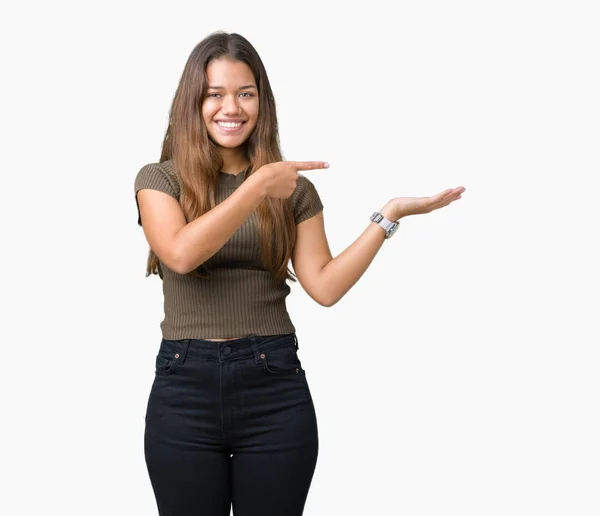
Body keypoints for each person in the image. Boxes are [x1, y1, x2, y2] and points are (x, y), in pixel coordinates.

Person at [134, 31, 465, 516]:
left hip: (272, 385)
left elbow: (325, 287)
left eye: (246, 93)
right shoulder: (159, 179)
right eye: (215, 94)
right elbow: (180, 254)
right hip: (184, 388)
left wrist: (390, 214)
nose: (232, 107)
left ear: (262, 102)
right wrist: (259, 184)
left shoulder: (294, 190)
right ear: (193, 103)